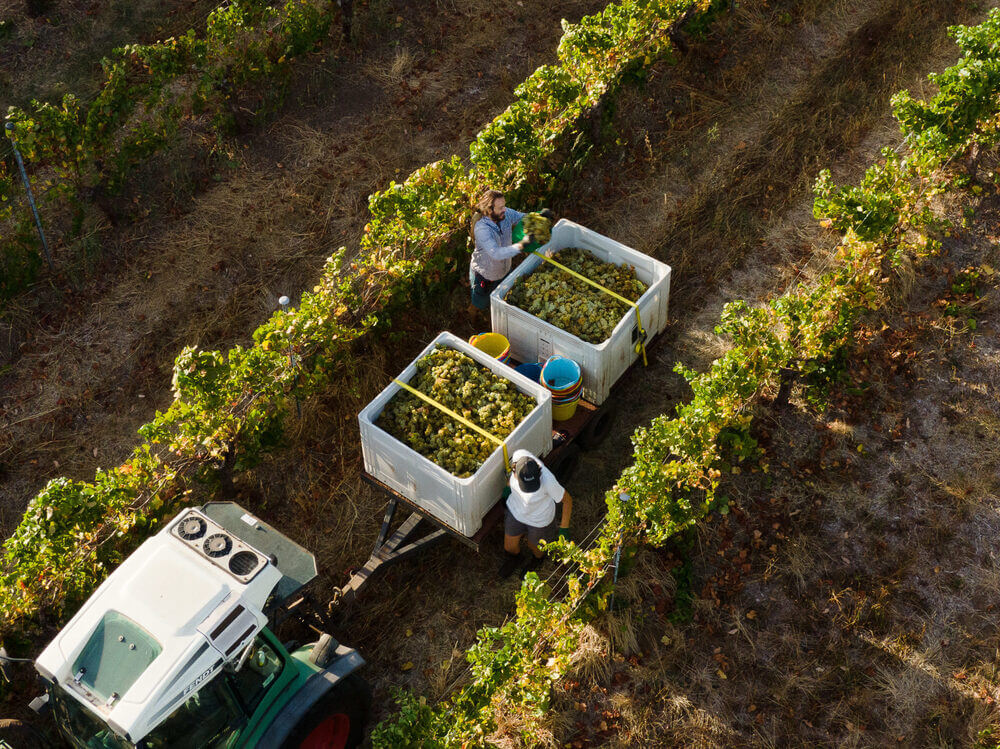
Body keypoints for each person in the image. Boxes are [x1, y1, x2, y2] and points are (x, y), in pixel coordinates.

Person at [499, 449, 572, 579]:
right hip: (516, 512)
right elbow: (509, 476)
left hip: (540, 519)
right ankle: (516, 559)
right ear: (515, 470)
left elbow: (567, 500)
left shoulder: (548, 480)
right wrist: (507, 488)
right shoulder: (517, 456)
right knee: (509, 547)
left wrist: (564, 528)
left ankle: (537, 560)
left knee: (536, 548)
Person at [469, 189, 532, 316]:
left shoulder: (505, 214)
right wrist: (521, 245)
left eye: (504, 205)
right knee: (480, 303)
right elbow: (496, 253)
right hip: (485, 275)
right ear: (489, 210)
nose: (505, 209)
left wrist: (540, 217)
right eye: (501, 207)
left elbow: (522, 218)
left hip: (504, 269)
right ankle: (472, 318)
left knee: (501, 295)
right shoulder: (482, 229)